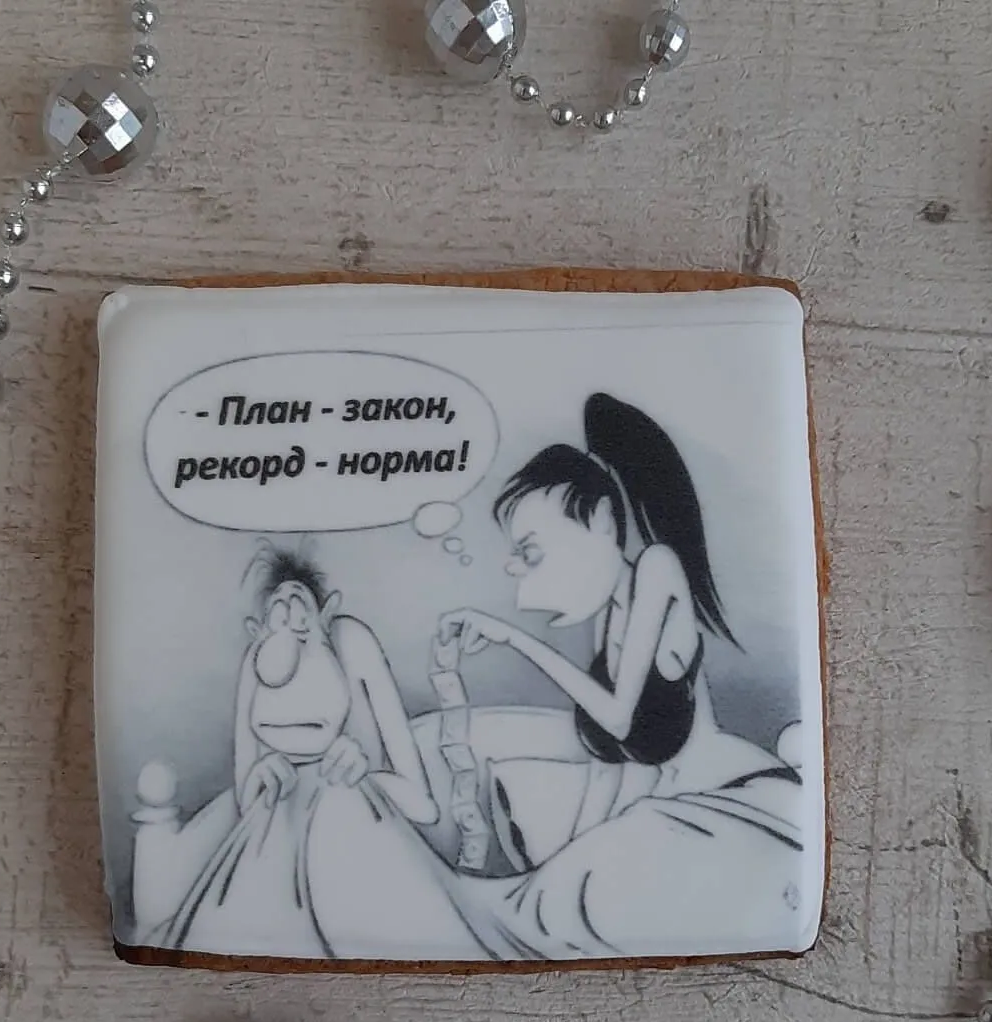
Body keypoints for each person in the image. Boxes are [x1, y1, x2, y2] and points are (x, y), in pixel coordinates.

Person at [437, 392, 806, 960]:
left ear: (603, 523)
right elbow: (614, 751)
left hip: (720, 801)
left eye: (533, 551)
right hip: (662, 803)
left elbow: (617, 717)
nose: (521, 570)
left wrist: (515, 639)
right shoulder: (609, 610)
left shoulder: (657, 569)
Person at [157, 547, 485, 960]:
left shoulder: (352, 642)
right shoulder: (259, 659)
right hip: (272, 866)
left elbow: (423, 806)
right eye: (278, 619)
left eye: (302, 623)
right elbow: (245, 797)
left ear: (325, 617)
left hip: (360, 860)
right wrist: (260, 775)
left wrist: (366, 775)